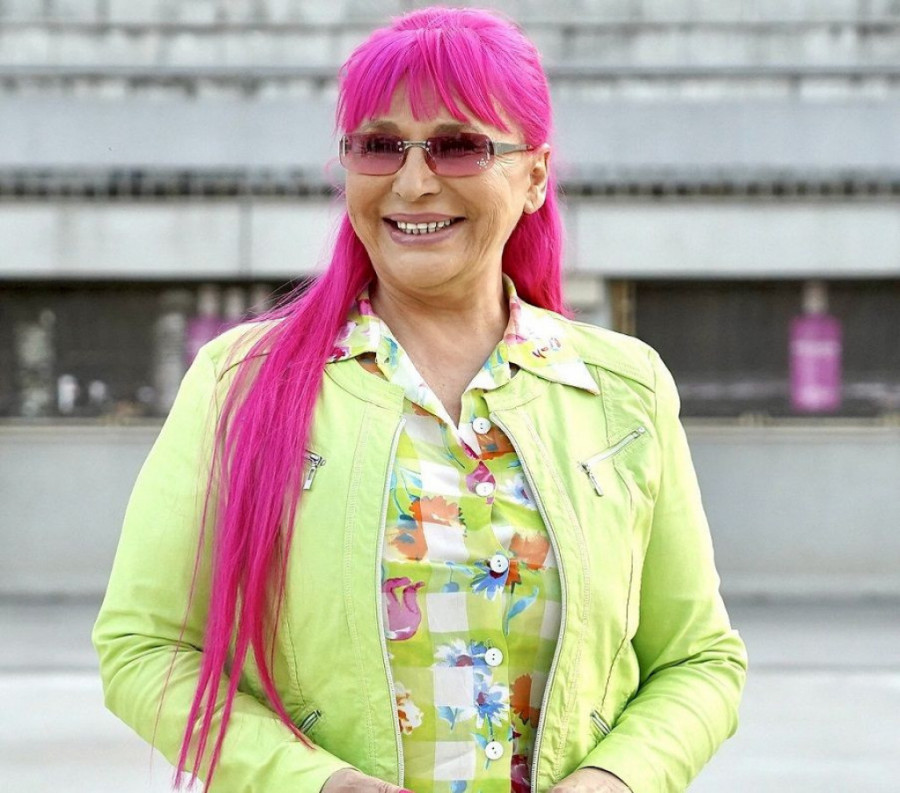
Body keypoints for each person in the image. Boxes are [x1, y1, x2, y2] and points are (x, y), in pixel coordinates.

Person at [93, 7, 747, 793]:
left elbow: (698, 659)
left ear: (535, 175)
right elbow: (145, 648)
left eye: (458, 144)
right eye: (379, 146)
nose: (412, 182)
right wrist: (320, 784)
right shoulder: (240, 381)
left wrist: (612, 780)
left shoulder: (624, 389)